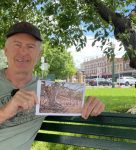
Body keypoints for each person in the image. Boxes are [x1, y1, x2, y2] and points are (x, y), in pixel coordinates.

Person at [0, 22, 105, 150]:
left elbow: (74, 102)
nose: (23, 52)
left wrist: (91, 103)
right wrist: (5, 112)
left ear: (39, 55)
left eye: (30, 46)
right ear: (5, 51)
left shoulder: (46, 90)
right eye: (17, 45)